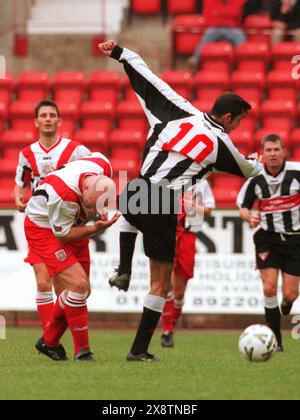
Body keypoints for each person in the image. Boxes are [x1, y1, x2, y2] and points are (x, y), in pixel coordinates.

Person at [99, 40, 263, 362]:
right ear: (228, 117)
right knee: (161, 285)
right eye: (239, 121)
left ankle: (123, 267)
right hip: (162, 202)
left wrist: (120, 53)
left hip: (136, 188)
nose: (238, 127)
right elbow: (250, 170)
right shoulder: (222, 145)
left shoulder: (178, 109)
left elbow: (147, 78)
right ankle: (139, 350)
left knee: (132, 217)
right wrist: (255, 160)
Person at [25, 153, 120, 361]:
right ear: (83, 189)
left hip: (72, 221)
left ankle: (48, 341)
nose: (92, 210)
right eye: (90, 205)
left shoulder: (103, 164)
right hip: (44, 228)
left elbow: (87, 161)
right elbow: (63, 234)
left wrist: (96, 212)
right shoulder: (65, 195)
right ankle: (82, 352)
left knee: (81, 291)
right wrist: (94, 227)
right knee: (78, 286)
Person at [14, 99, 91, 336]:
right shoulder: (27, 154)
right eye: (43, 115)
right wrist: (19, 198)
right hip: (40, 224)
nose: (48, 118)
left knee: (73, 287)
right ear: (36, 122)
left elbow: (93, 174)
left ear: (59, 120)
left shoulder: (76, 150)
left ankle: (58, 334)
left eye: (52, 115)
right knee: (42, 280)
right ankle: (49, 336)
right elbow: (20, 185)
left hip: (67, 223)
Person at [108, 181, 216, 348]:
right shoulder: (168, 178)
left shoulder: (201, 183)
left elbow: (209, 211)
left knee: (179, 292)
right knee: (166, 284)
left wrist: (192, 206)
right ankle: (166, 330)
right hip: (167, 230)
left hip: (188, 236)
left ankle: (169, 325)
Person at [237, 134, 300, 351]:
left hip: (295, 240)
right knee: (269, 287)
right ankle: (276, 341)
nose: (273, 154)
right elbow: (243, 207)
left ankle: (286, 304)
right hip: (268, 238)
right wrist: (248, 216)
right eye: (269, 150)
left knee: (291, 294)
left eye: (276, 150)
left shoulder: (296, 173)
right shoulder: (255, 178)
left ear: (284, 151)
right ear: (263, 153)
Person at [187, 0, 257, 72]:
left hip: (232, 27)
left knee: (242, 43)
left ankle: (245, 64)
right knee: (204, 41)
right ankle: (195, 60)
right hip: (214, 27)